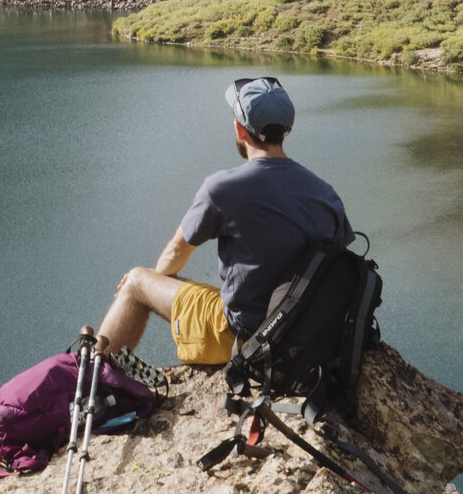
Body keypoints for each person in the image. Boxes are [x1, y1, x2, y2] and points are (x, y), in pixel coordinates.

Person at [97, 76, 352, 366]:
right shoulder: (325, 193)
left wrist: (156, 279)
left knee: (136, 282)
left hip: (242, 339)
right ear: (287, 130)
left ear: (240, 130)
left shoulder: (223, 189)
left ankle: (92, 380)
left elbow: (174, 255)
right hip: (302, 335)